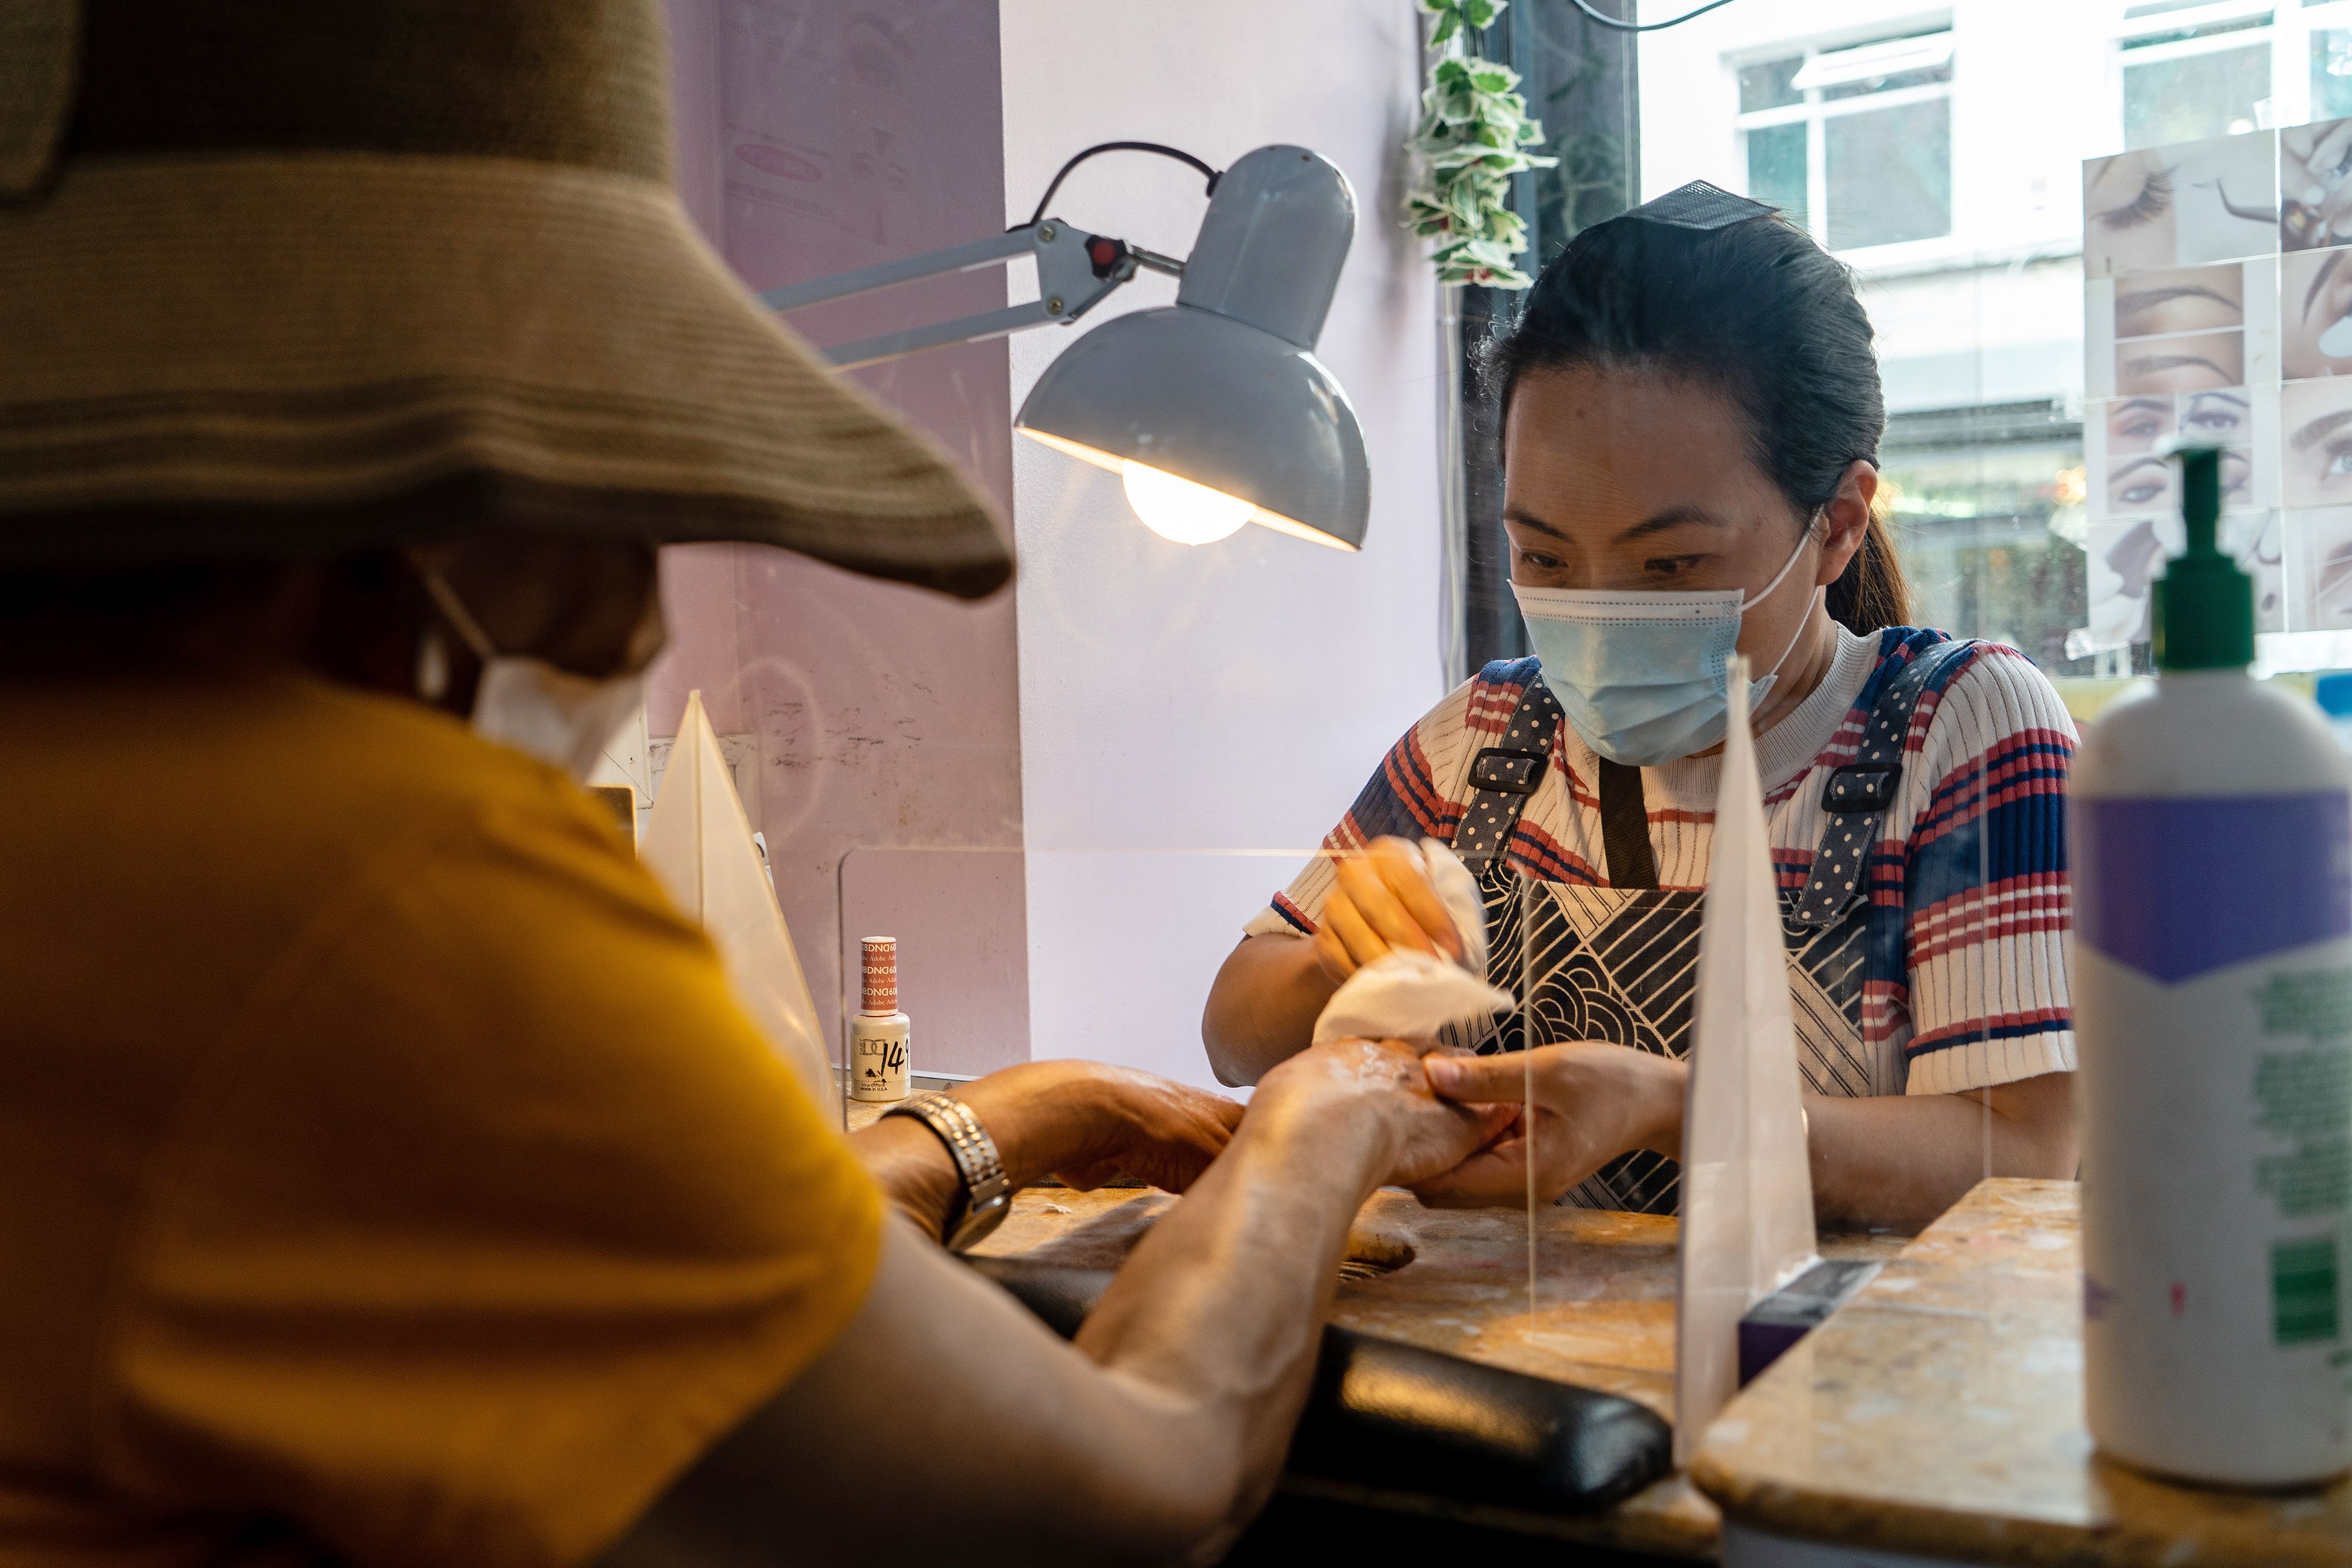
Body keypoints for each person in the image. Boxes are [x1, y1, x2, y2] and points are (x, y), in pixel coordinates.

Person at [0, 5, 1505, 1565]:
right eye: (610, 488)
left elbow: (630, 1238)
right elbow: (1137, 1487)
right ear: (417, 500)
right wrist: (1323, 1128)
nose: (640, 619)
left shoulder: (91, 817)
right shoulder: (369, 883)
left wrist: (1016, 1118)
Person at [1204, 185, 2080, 1231]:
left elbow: (2023, 1151)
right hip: (1520, 1370)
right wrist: (1335, 956)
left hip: (1824, 1378)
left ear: (1838, 525)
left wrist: (1676, 1111)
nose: (1597, 613)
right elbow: (1236, 1035)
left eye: (1670, 565)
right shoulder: (1486, 744)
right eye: (1543, 555)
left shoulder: (1958, 732)